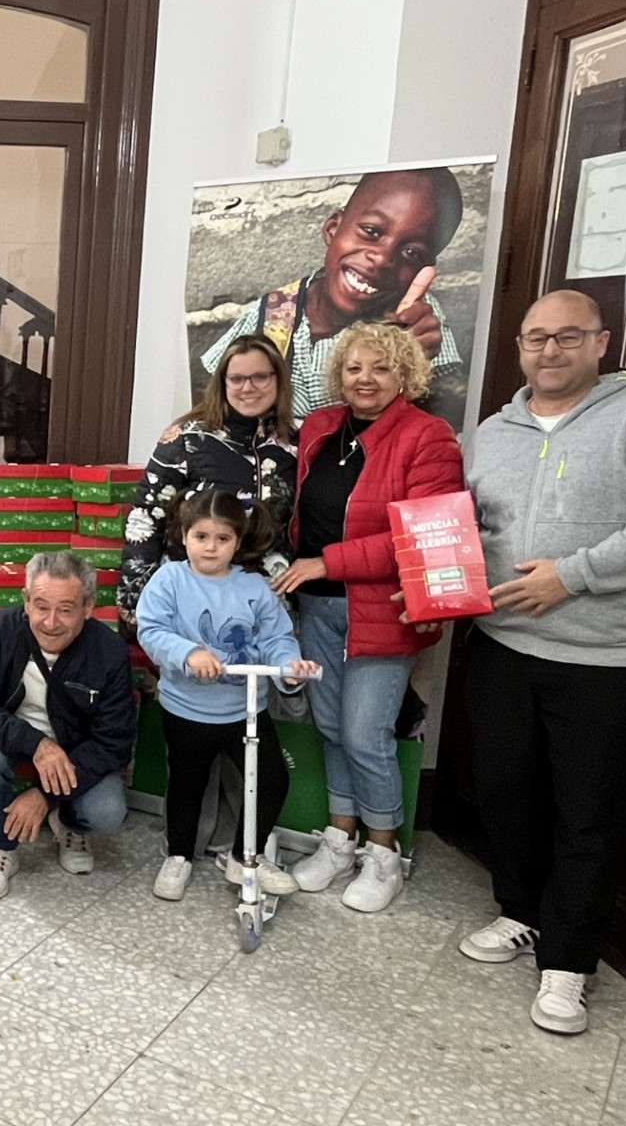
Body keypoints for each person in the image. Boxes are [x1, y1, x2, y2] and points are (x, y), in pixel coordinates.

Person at [459, 290, 626, 1036]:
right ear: (519, 346)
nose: (550, 350)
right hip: (501, 646)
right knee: (505, 793)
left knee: (589, 814)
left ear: (602, 342)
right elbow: (469, 525)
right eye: (536, 337)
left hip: (607, 655)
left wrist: (572, 576)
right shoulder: (493, 433)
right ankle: (520, 913)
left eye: (568, 336)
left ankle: (568, 963)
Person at [272, 320, 464, 912]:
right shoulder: (321, 427)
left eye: (381, 368)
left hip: (382, 608)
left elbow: (423, 533)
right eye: (354, 367)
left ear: (405, 374)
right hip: (316, 606)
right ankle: (339, 839)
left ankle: (384, 855)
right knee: (332, 728)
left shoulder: (428, 436)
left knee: (365, 734)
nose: (366, 379)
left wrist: (324, 562)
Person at [136, 489, 319, 901]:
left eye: (222, 539)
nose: (211, 547)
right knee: (187, 786)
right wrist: (189, 653)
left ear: (238, 541)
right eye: (201, 536)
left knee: (271, 780)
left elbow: (276, 638)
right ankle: (179, 855)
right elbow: (151, 630)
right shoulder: (170, 579)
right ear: (184, 535)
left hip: (244, 710)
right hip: (186, 709)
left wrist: (289, 667)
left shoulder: (254, 587)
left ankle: (244, 856)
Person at [199, 167, 467, 421]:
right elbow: (212, 393)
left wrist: (416, 365)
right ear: (333, 228)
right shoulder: (273, 311)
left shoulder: (411, 319)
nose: (382, 259)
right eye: (371, 231)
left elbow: (443, 414)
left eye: (412, 253)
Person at [0, 550, 136, 900]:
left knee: (107, 811)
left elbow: (115, 741)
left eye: (65, 610)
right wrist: (35, 743)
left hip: (76, 751)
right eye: (41, 607)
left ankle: (67, 822)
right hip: (11, 737)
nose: (50, 623)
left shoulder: (109, 652)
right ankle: (0, 845)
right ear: (26, 601)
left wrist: (45, 797)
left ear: (88, 607)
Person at [118, 332, 298, 623]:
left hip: (268, 608)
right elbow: (146, 520)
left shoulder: (295, 445)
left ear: (278, 379)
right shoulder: (186, 439)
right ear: (222, 382)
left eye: (260, 377)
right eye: (237, 378)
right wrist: (134, 606)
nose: (248, 387)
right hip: (191, 603)